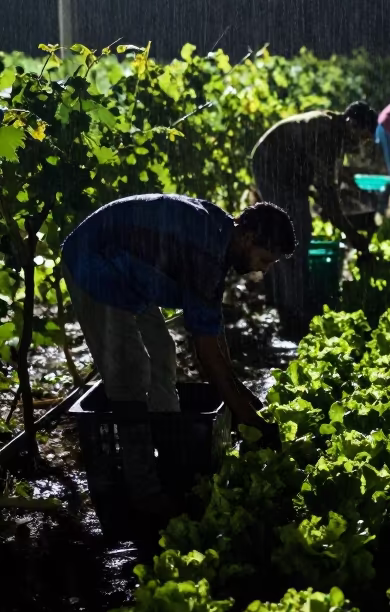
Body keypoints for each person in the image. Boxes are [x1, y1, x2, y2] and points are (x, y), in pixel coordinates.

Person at [61, 194, 296, 516]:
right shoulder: (206, 255)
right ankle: (145, 493)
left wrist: (246, 402)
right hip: (96, 262)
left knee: (162, 354)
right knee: (130, 372)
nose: (263, 271)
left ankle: (171, 454)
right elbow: (208, 356)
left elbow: (214, 336)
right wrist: (249, 420)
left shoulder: (221, 236)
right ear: (249, 237)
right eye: (265, 260)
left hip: (131, 273)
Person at [250, 102, 379, 335]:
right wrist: (352, 234)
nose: (361, 144)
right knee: (293, 236)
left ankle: (291, 299)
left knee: (301, 232)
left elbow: (330, 179)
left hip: (290, 173)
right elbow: (327, 193)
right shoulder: (326, 132)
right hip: (272, 166)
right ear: (352, 124)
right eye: (363, 137)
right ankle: (292, 312)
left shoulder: (336, 132)